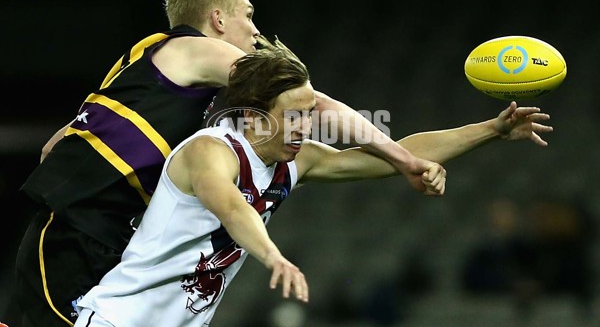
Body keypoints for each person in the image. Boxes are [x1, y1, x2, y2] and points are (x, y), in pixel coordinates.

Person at [7, 0, 443, 327]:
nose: (255, 30)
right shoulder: (195, 49)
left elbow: (55, 146)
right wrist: (401, 157)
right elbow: (318, 104)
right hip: (77, 233)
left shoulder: (144, 59)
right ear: (218, 20)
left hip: (98, 230)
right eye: (247, 15)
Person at [74, 37, 552, 327]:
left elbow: (399, 155)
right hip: (118, 318)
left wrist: (491, 130)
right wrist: (272, 255)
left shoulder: (294, 163)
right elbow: (231, 208)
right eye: (296, 115)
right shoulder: (209, 151)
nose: (307, 125)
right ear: (255, 115)